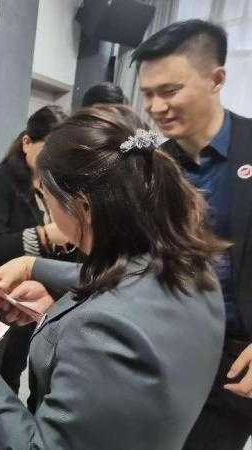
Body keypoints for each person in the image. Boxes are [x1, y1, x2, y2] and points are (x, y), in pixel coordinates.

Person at [0, 104, 227, 450]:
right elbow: (125, 280)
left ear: (83, 207)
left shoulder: (101, 331)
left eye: (51, 200)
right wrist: (36, 268)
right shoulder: (193, 269)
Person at [130, 19, 252, 449]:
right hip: (168, 348)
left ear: (216, 79)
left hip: (239, 353)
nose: (156, 107)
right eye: (148, 94)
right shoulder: (150, 166)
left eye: (169, 91)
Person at [0, 105, 71, 449]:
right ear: (26, 142)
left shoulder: (51, 186)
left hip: (26, 301)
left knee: (11, 374)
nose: (54, 158)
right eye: (48, 148)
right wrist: (45, 235)